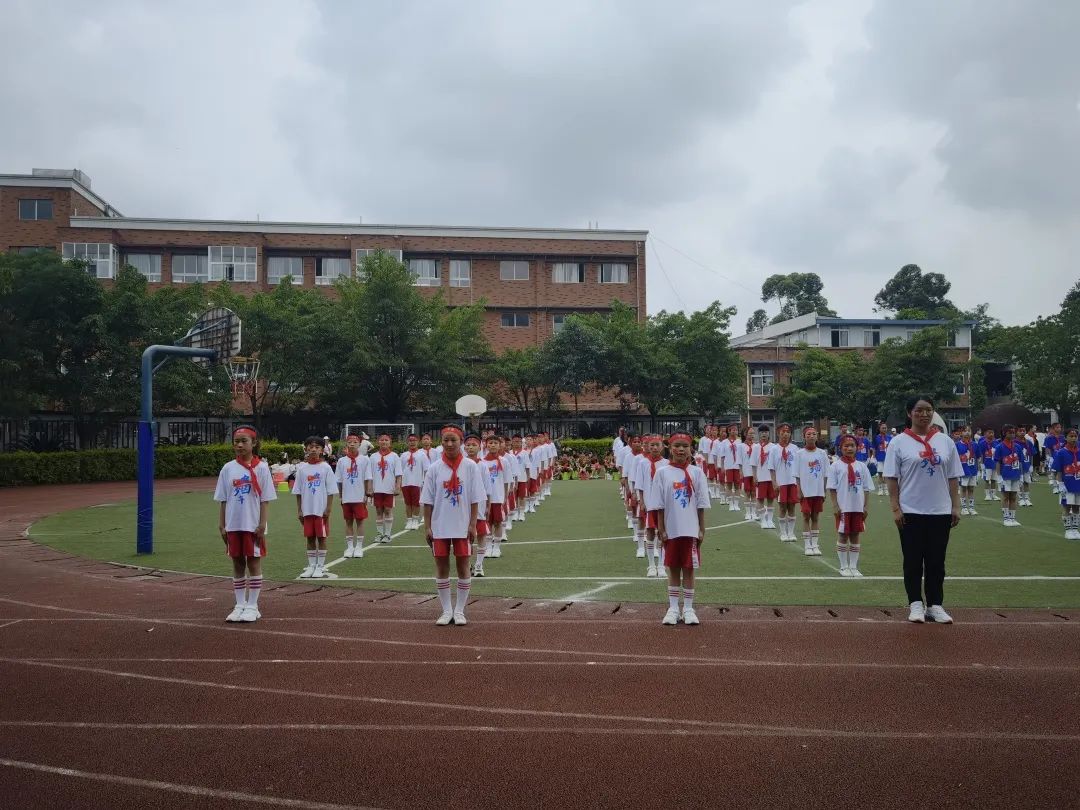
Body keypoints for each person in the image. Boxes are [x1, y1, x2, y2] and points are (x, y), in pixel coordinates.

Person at [883, 396, 963, 624]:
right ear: (910, 413)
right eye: (919, 410)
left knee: (937, 561)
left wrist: (956, 505)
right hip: (911, 510)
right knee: (913, 560)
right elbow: (891, 478)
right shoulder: (898, 442)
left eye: (928, 410)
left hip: (940, 510)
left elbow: (953, 476)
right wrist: (895, 508)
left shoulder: (945, 441)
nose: (924, 414)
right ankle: (915, 604)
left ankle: (935, 604)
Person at [421, 425, 484, 626]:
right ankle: (446, 610)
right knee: (441, 566)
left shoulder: (470, 467)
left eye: (453, 440)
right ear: (441, 442)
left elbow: (475, 498)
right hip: (439, 525)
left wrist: (473, 524)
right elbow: (428, 500)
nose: (449, 444)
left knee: (463, 565)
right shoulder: (434, 468)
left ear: (461, 442)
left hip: (462, 525)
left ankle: (460, 611)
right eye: (446, 440)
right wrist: (427, 526)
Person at [215, 426, 276, 622]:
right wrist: (222, 524)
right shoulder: (228, 468)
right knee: (238, 562)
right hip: (233, 524)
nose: (239, 445)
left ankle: (253, 605)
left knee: (254, 562)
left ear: (254, 443)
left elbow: (265, 499)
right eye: (236, 441)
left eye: (244, 441)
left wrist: (262, 524)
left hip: (253, 524)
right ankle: (239, 604)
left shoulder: (262, 468)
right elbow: (223, 499)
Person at [648, 432, 710, 626]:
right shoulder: (662, 473)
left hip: (691, 529)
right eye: (677, 445)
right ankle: (673, 608)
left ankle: (689, 608)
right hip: (671, 529)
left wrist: (701, 528)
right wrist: (661, 528)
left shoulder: (697, 472)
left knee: (689, 568)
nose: (681, 449)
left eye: (685, 445)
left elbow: (700, 503)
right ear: (670, 447)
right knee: (673, 567)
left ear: (690, 448)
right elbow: (659, 504)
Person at [828, 435, 874, 577]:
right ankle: (843, 566)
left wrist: (865, 506)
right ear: (840, 448)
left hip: (858, 507)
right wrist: (835, 506)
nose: (849, 448)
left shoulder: (861, 466)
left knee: (855, 535)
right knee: (843, 535)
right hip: (843, 507)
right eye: (846, 446)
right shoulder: (835, 466)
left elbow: (866, 488)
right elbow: (832, 488)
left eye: (852, 445)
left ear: (857, 447)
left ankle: (853, 566)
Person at [293, 435, 338, 578]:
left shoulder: (325, 468)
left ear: (322, 450)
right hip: (307, 510)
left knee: (321, 538)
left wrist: (328, 509)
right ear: (306, 448)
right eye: (310, 447)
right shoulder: (302, 469)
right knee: (310, 538)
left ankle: (320, 566)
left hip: (321, 510)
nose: (313, 450)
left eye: (317, 447)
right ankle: (311, 566)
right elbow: (298, 491)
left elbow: (331, 490)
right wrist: (299, 509)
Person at [636, 434, 668, 577]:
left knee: (662, 533)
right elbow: (640, 484)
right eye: (652, 445)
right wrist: (641, 501)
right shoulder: (643, 463)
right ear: (648, 447)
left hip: (663, 504)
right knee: (650, 532)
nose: (655, 447)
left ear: (662, 447)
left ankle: (661, 565)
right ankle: (651, 565)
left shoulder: (667, 463)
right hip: (649, 503)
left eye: (657, 445)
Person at [336, 433, 371, 558]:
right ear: (346, 444)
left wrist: (367, 493)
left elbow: (368, 478)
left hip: (359, 496)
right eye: (349, 442)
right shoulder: (341, 461)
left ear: (359, 444)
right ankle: (350, 547)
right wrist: (340, 496)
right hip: (346, 496)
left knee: (360, 521)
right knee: (348, 521)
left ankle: (359, 547)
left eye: (355, 442)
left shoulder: (365, 460)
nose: (352, 444)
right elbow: (339, 480)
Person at [795, 427, 828, 556]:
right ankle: (807, 545)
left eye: (814, 434)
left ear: (817, 436)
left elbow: (826, 473)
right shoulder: (799, 454)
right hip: (805, 490)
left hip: (818, 490)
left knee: (815, 517)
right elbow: (796, 474)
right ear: (804, 436)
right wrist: (799, 490)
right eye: (809, 434)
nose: (811, 436)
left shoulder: (822, 453)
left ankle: (815, 544)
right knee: (806, 516)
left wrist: (824, 490)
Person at [479, 435, 511, 563]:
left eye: (495, 443)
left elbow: (506, 481)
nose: (492, 445)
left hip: (498, 497)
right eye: (490, 443)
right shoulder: (481, 462)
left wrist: (504, 497)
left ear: (500, 445)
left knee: (497, 522)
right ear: (486, 445)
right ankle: (487, 547)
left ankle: (496, 547)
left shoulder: (504, 461)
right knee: (487, 523)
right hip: (485, 499)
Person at [769, 423, 800, 542]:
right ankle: (783, 533)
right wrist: (774, 483)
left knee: (792, 506)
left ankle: (791, 533)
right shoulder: (774, 449)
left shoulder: (795, 448)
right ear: (778, 433)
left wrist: (798, 484)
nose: (785, 434)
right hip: (780, 482)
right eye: (783, 432)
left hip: (792, 482)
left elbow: (798, 467)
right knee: (782, 507)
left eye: (788, 432)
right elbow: (771, 468)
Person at [370, 434, 402, 542]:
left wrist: (398, 486)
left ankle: (387, 534)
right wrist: (369, 488)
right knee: (378, 510)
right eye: (382, 440)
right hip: (377, 487)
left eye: (386, 440)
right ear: (378, 442)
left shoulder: (394, 456)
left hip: (389, 488)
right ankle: (379, 534)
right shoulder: (373, 457)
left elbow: (398, 474)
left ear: (390, 442)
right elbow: (369, 475)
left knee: (388, 510)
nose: (384, 442)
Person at [993, 424, 1025, 527]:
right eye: (1010, 432)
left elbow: (1020, 462)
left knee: (1014, 497)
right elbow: (997, 462)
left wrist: (1021, 476)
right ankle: (1006, 518)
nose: (1012, 434)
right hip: (1005, 475)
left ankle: (1013, 518)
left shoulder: (1018, 447)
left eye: (1013, 432)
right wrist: (999, 476)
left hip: (1015, 475)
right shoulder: (999, 447)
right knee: (1005, 496)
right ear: (1004, 433)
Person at [1051, 428, 1080, 539]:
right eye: (1071, 436)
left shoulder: (1079, 451)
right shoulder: (1061, 452)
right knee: (1067, 507)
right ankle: (1068, 530)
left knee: (1077, 507)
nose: (1073, 438)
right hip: (1066, 484)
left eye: (1075, 436)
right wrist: (1060, 484)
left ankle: (1075, 529)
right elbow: (1058, 470)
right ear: (1066, 437)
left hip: (1078, 483)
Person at [398, 434, 430, 531]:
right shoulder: (403, 455)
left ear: (418, 442)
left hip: (417, 482)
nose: (412, 442)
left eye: (414, 440)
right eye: (410, 440)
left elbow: (426, 470)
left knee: (416, 503)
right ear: (407, 442)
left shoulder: (422, 455)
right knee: (408, 502)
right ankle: (409, 520)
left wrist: (426, 482)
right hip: (405, 482)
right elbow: (400, 470)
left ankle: (415, 520)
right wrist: (399, 482)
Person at [751, 424, 777, 529]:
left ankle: (770, 520)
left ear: (769, 433)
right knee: (760, 499)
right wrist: (754, 477)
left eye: (766, 432)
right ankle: (763, 520)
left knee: (771, 499)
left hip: (771, 478)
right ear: (759, 434)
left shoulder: (774, 447)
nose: (764, 434)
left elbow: (776, 464)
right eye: (761, 432)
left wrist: (776, 479)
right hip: (761, 477)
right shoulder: (756, 447)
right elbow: (753, 464)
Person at [955, 426, 979, 516]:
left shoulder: (975, 445)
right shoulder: (957, 445)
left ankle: (972, 508)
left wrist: (979, 469)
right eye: (965, 431)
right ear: (961, 433)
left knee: (971, 489)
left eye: (969, 431)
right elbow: (955, 459)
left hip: (972, 470)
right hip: (963, 471)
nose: (967, 433)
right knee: (963, 489)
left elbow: (978, 457)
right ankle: (964, 508)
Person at [722, 424, 742, 513]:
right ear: (729, 431)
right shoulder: (724, 442)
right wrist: (722, 467)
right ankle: (731, 504)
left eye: (736, 430)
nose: (734, 431)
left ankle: (736, 504)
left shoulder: (740, 442)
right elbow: (722, 456)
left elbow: (742, 455)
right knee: (729, 485)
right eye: (732, 430)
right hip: (729, 466)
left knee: (737, 485)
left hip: (737, 466)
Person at [738, 426, 756, 521]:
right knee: (747, 492)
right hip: (746, 472)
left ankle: (753, 512)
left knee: (753, 493)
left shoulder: (756, 446)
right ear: (745, 434)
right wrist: (741, 472)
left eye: (753, 433)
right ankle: (748, 513)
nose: (752, 435)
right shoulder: (741, 446)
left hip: (754, 473)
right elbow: (739, 460)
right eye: (750, 433)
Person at [975, 428, 999, 502]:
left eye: (992, 433)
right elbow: (981, 454)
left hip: (994, 464)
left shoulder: (996, 443)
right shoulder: (982, 443)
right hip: (986, 464)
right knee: (987, 480)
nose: (991, 434)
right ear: (985, 434)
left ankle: (993, 495)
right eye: (989, 433)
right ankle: (987, 495)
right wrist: (982, 464)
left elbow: (997, 454)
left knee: (994, 480)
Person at [872, 422, 891, 496]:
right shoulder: (876, 438)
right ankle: (880, 489)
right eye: (883, 428)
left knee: (886, 475)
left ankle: (886, 489)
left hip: (887, 459)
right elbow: (874, 448)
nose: (884, 429)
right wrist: (873, 458)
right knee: (880, 474)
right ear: (879, 429)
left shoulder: (890, 437)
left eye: (885, 428)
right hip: (879, 458)